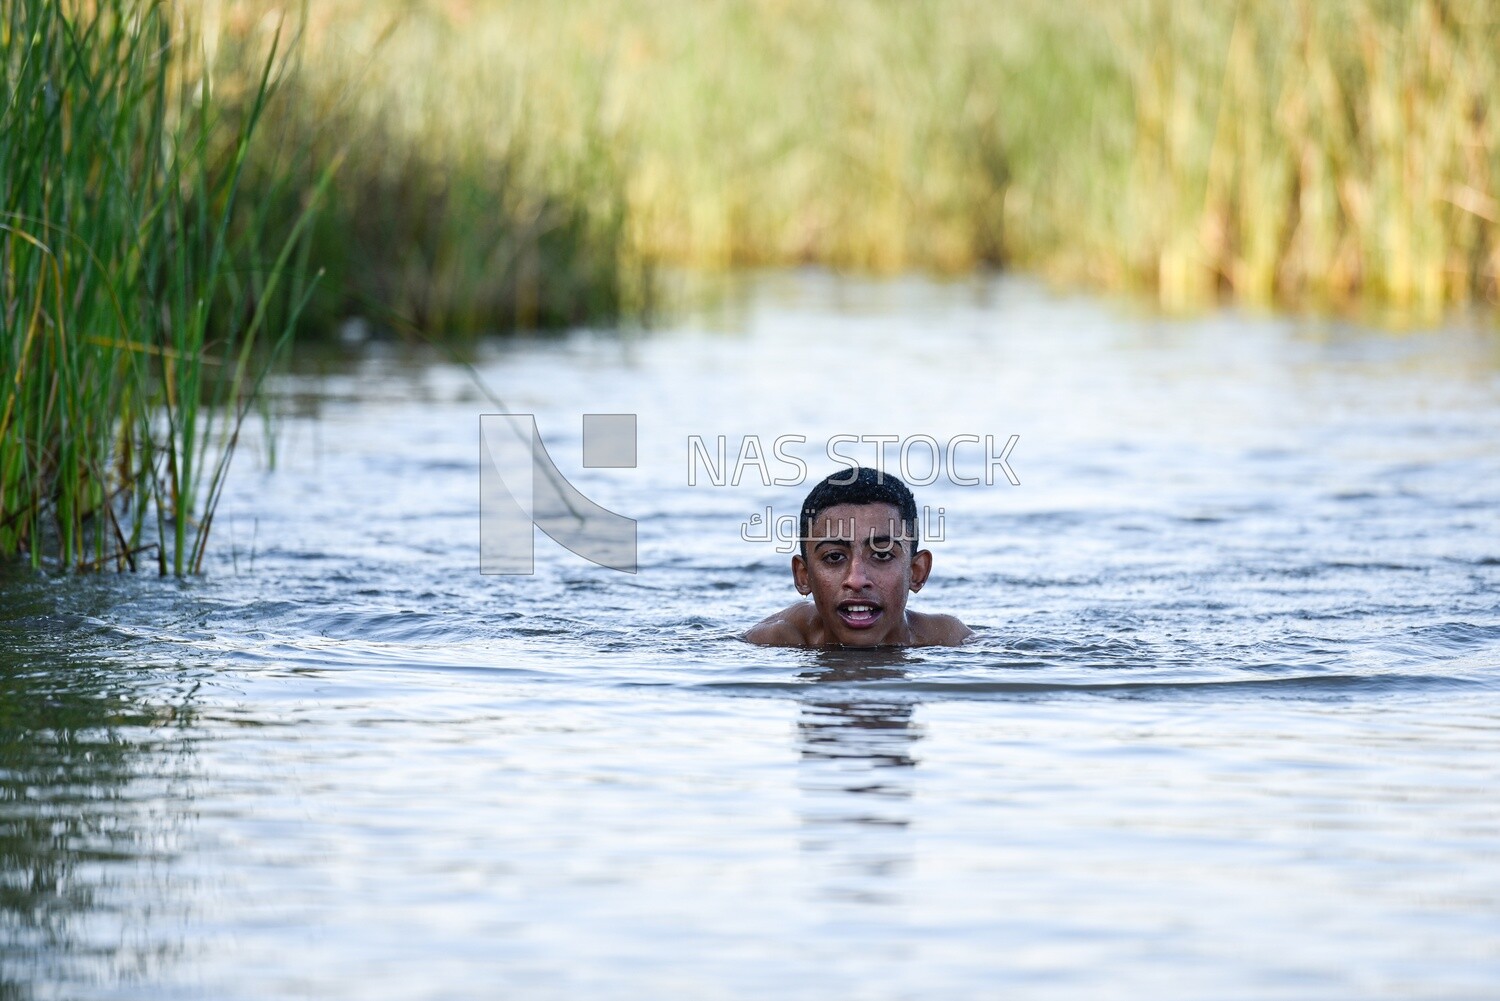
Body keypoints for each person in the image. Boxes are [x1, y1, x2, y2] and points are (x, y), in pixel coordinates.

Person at [743, 467, 973, 647]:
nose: (856, 579)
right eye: (834, 557)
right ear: (804, 577)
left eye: (882, 555)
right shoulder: (773, 642)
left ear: (916, 572)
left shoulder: (949, 638)